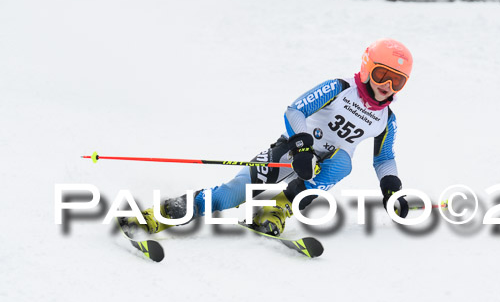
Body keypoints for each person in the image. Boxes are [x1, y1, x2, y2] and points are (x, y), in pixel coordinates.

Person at [127, 38, 413, 237]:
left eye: (396, 80)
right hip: (289, 154)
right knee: (232, 194)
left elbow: (384, 157)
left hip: (317, 171)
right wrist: (302, 148)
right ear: (366, 67)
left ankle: (276, 209)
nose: (387, 86)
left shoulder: (386, 120)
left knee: (343, 163)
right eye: (381, 75)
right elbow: (295, 111)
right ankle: (159, 215)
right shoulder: (338, 88)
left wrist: (391, 187)